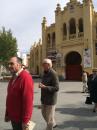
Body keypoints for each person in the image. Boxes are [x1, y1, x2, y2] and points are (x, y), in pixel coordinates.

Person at [5, 56, 34, 130]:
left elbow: (28, 101)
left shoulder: (26, 77)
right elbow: (10, 97)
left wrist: (25, 120)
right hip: (14, 117)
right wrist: (7, 113)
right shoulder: (13, 77)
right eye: (9, 64)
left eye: (12, 64)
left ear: (19, 64)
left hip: (20, 120)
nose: (9, 66)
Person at [39, 58, 59, 130]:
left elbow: (56, 88)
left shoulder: (54, 74)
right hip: (44, 99)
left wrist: (45, 87)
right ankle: (54, 123)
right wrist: (41, 85)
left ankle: (50, 126)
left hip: (50, 100)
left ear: (49, 65)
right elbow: (44, 83)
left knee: (49, 120)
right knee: (44, 114)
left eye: (44, 64)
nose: (43, 66)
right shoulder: (45, 73)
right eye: (42, 64)